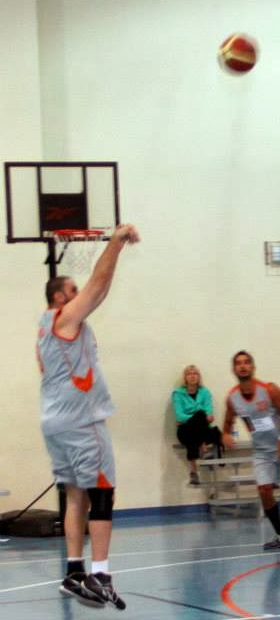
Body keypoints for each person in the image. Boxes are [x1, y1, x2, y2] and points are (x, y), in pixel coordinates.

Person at [38, 224, 139, 610]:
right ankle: (101, 574)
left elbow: (98, 290)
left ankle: (75, 571)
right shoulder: (62, 318)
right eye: (72, 291)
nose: (79, 294)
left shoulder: (48, 327)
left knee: (75, 494)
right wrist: (115, 243)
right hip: (81, 421)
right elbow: (97, 286)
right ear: (59, 297)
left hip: (56, 422)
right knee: (102, 491)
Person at [222, 351, 280, 550]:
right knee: (264, 490)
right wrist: (226, 434)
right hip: (263, 450)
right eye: (238, 363)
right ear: (234, 369)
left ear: (253, 367)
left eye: (247, 362)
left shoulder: (269, 390)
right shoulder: (233, 398)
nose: (243, 366)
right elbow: (227, 423)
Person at [172, 364, 222, 486]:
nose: (192, 376)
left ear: (199, 377)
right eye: (189, 374)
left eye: (195, 373)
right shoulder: (177, 394)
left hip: (197, 430)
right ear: (185, 378)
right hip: (185, 431)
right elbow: (179, 416)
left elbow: (210, 414)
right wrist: (196, 418)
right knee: (199, 415)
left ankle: (193, 472)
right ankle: (203, 447)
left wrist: (190, 418)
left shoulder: (205, 393)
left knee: (215, 432)